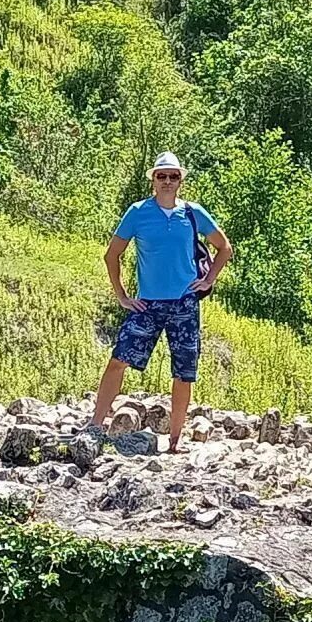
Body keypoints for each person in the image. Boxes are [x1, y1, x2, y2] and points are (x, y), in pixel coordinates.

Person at [90, 152, 232, 452]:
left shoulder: (193, 213)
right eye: (162, 176)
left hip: (185, 304)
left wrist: (208, 280)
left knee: (184, 372)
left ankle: (175, 442)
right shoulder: (138, 212)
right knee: (119, 360)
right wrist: (122, 296)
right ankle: (95, 426)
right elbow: (111, 254)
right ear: (153, 179)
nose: (167, 181)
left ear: (181, 180)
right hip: (148, 305)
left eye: (173, 176)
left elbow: (224, 247)